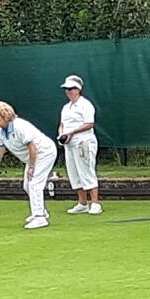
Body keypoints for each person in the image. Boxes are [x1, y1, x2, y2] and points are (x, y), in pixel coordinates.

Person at [0, 101, 58, 229]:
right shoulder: (1, 133)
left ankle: (40, 218)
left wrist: (32, 167)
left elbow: (32, 147)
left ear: (5, 116)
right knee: (27, 185)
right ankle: (41, 212)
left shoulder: (20, 126)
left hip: (45, 153)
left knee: (34, 183)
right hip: (33, 157)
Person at [57, 74, 102, 215]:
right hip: (69, 145)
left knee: (86, 170)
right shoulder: (66, 107)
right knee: (74, 172)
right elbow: (62, 125)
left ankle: (95, 203)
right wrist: (62, 135)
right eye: (67, 89)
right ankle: (82, 203)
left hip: (84, 142)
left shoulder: (86, 105)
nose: (68, 91)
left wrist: (72, 132)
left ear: (78, 89)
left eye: (71, 89)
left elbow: (89, 124)